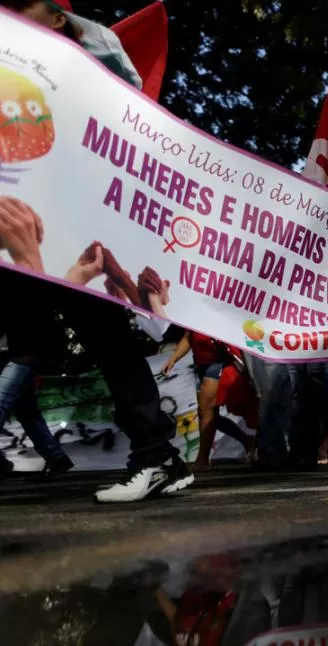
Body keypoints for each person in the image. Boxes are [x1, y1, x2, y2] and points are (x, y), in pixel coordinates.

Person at [0, 0, 192, 502]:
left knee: (103, 341)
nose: (12, 18)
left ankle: (153, 457)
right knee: (81, 344)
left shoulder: (93, 76)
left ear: (60, 20)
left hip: (75, 237)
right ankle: (163, 458)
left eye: (23, 8)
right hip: (51, 243)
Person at [162, 331, 252, 471]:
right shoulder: (194, 313)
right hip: (202, 363)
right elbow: (189, 335)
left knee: (206, 410)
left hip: (218, 361)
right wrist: (173, 359)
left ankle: (202, 459)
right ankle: (248, 441)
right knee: (209, 414)